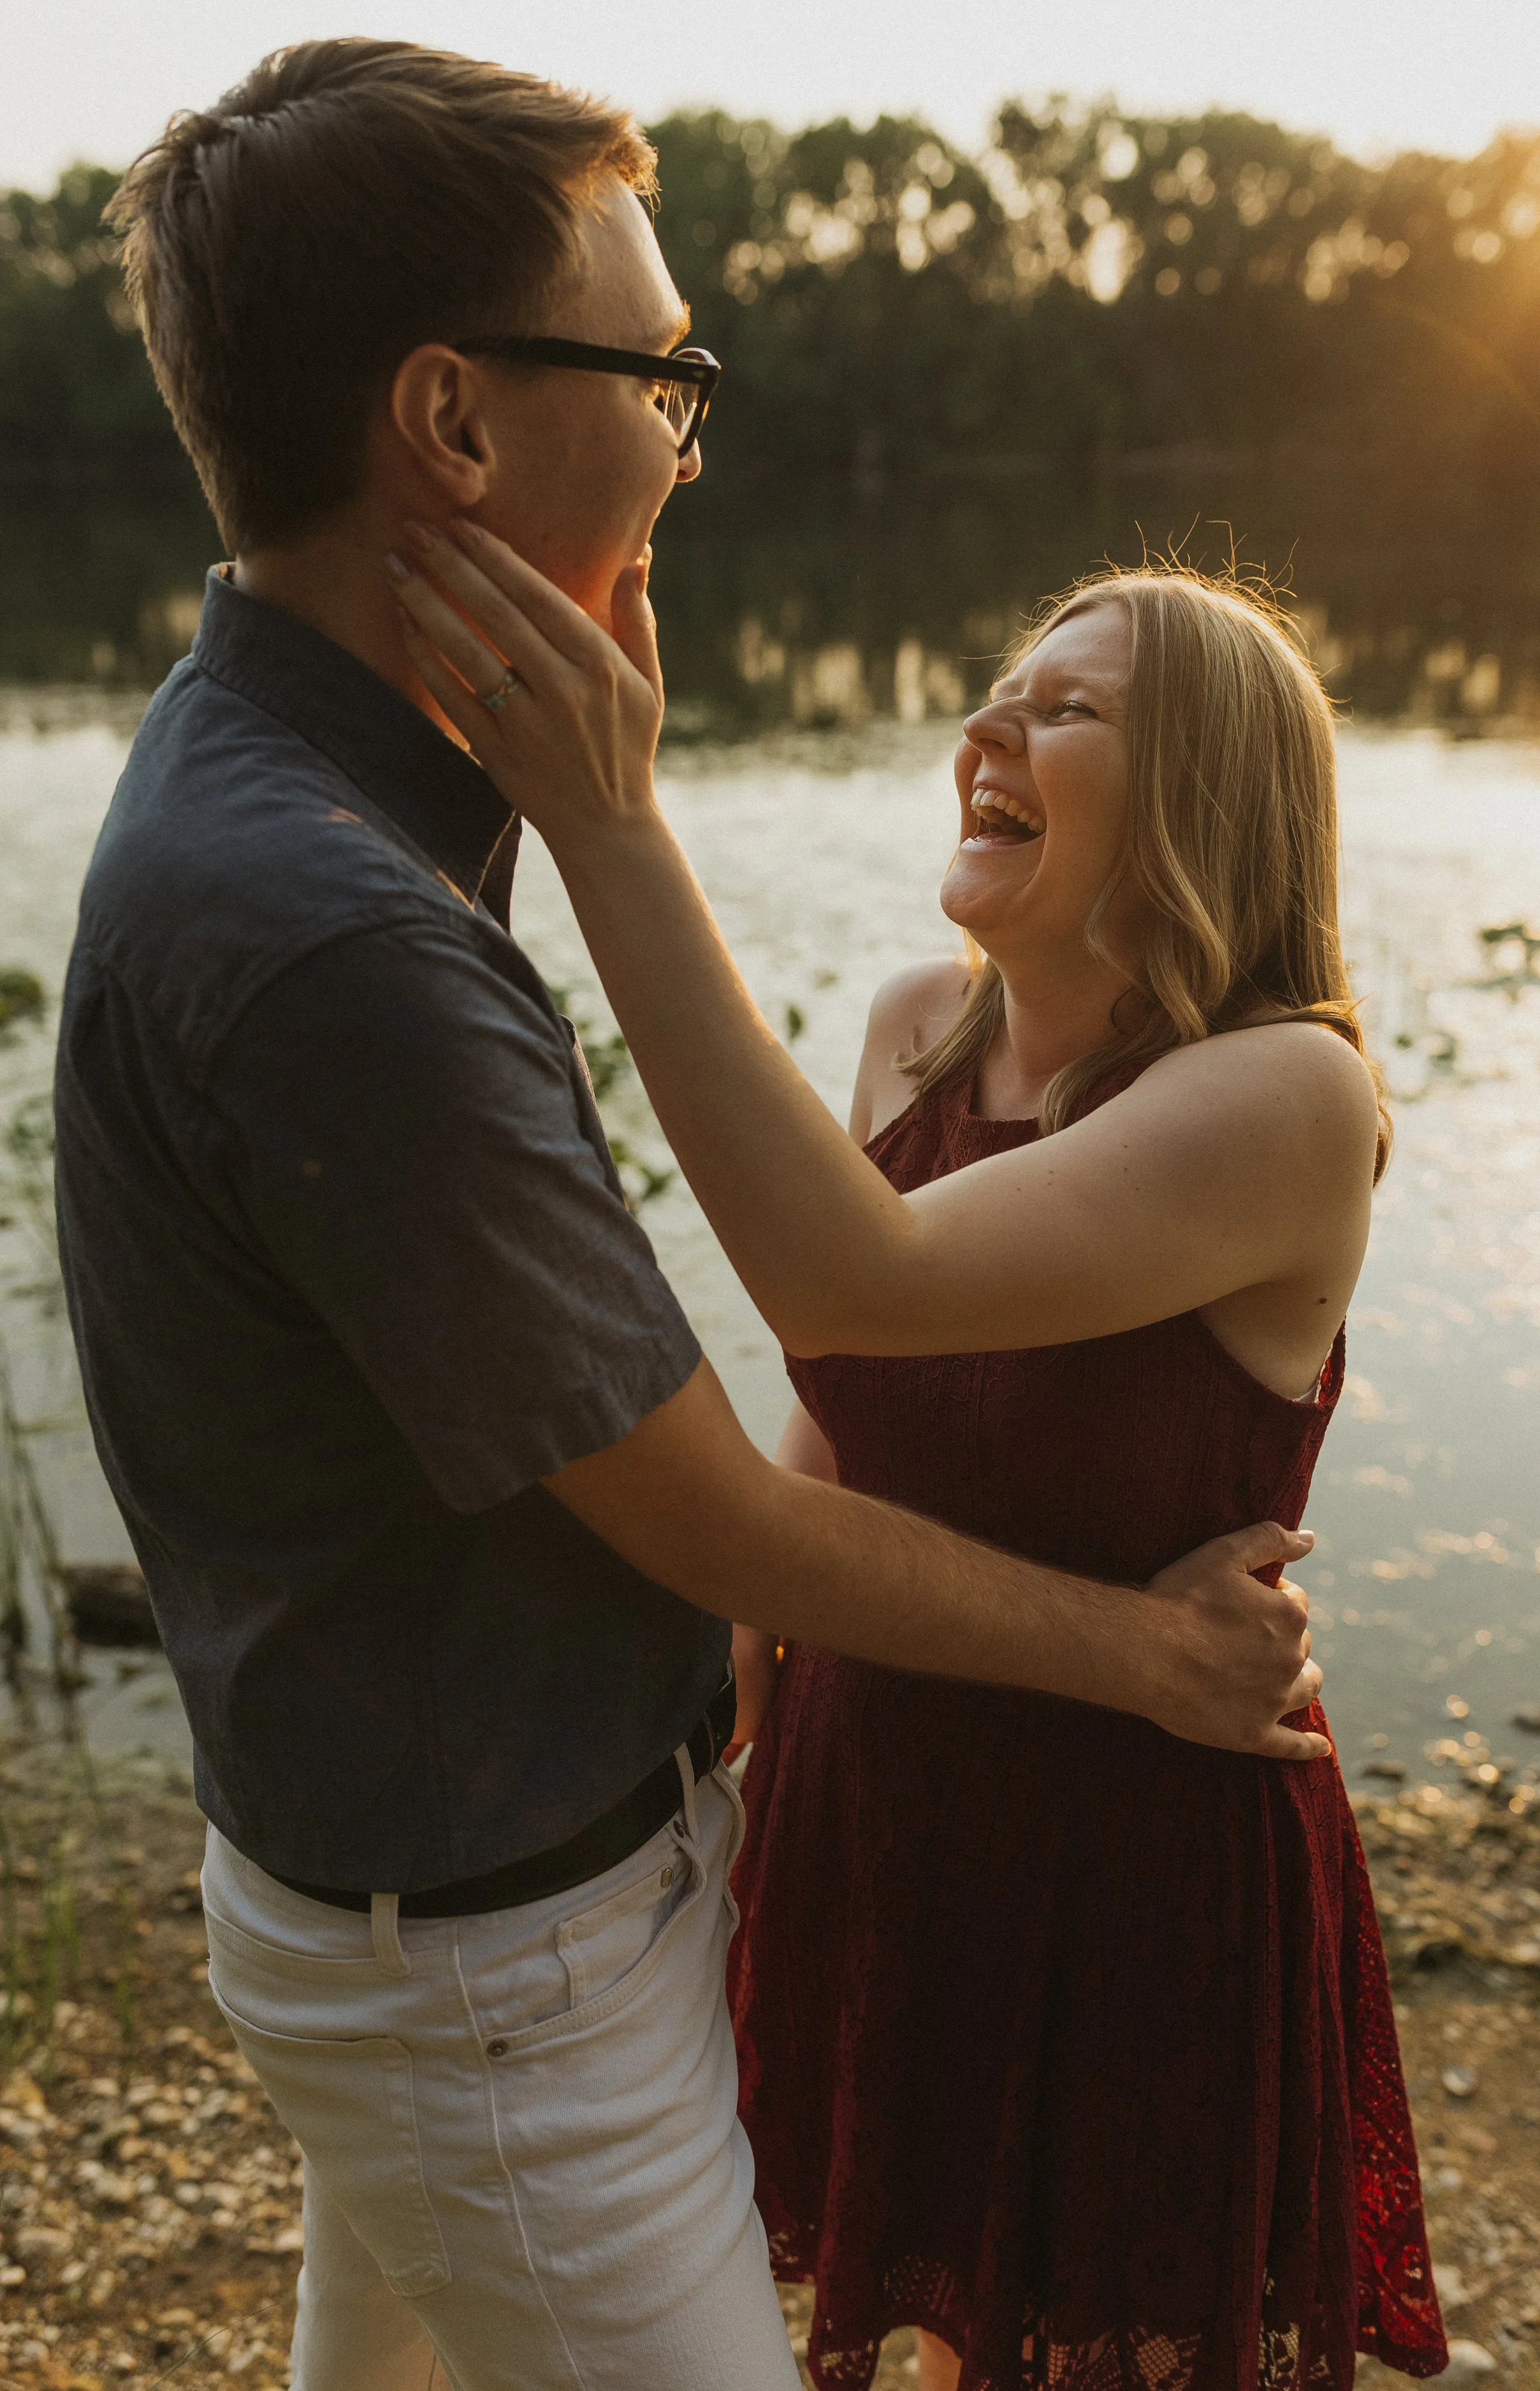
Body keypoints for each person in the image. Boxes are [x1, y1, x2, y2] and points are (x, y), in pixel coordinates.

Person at [54, 39, 1326, 2391]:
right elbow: (721, 1502)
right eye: (661, 369)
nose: (685, 432)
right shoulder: (347, 929)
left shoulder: (278, 784)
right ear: (450, 423)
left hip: (443, 1887)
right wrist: (1157, 1659)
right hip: (495, 1971)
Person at [386, 536, 1451, 2387]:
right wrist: (739, 1658)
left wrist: (609, 827)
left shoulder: (1285, 1094)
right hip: (874, 1801)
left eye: (1066, 707)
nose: (987, 724)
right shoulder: (908, 1031)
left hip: (1125, 1855)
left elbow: (846, 1280)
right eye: (995, 689)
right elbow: (848, 1395)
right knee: (917, 2320)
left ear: (1203, 787)